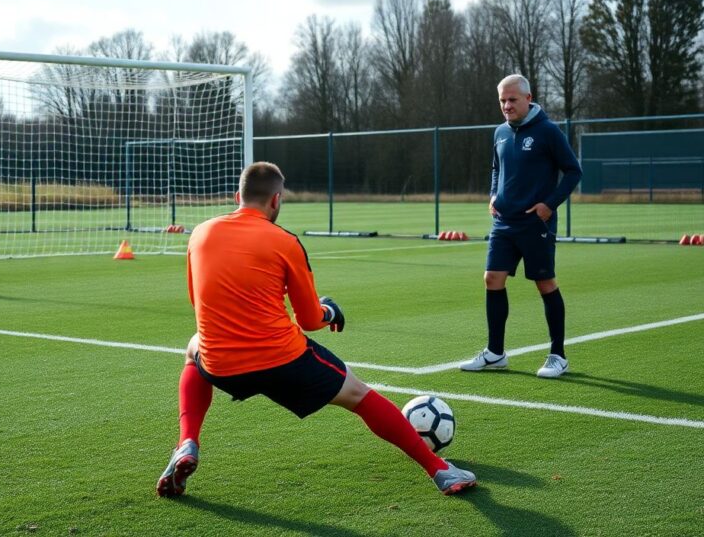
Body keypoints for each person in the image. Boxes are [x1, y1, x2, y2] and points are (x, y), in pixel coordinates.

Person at [157, 161, 476, 498]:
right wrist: (330, 310)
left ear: (238, 196)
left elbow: (200, 303)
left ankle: (187, 441)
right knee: (359, 396)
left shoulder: (201, 232)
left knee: (194, 347)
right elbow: (309, 320)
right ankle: (439, 470)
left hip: (221, 364)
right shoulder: (285, 241)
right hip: (282, 361)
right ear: (277, 200)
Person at [460, 74, 582, 378]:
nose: (506, 105)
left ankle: (558, 355)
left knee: (545, 284)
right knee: (491, 279)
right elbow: (496, 168)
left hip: (534, 223)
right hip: (503, 223)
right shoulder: (499, 132)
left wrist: (548, 205)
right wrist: (492, 194)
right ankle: (495, 353)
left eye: (512, 99)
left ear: (529, 98)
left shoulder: (548, 132)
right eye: (502, 100)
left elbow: (572, 171)